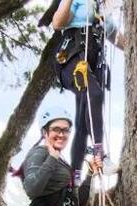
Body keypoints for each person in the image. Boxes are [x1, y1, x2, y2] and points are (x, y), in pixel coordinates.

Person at [51, 0, 122, 185]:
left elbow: (116, 38)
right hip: (72, 57)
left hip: (91, 62)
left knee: (83, 119)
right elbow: (57, 23)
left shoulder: (102, 6)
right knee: (94, 94)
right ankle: (99, 154)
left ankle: (74, 177)